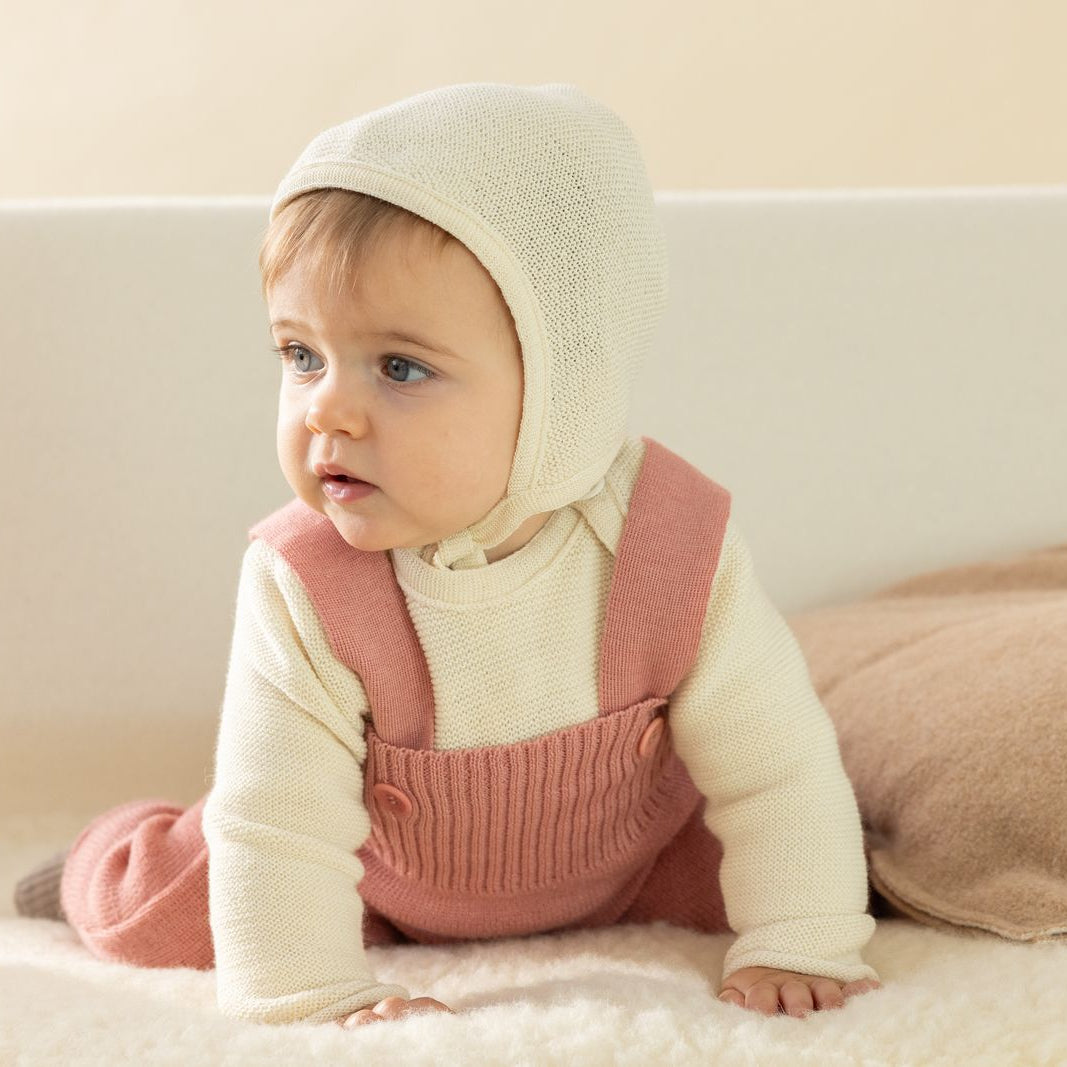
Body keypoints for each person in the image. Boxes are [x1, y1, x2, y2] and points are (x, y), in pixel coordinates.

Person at [14, 82, 882, 1026]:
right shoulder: (307, 578)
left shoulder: (670, 543)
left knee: (816, 863)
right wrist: (313, 991)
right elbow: (282, 822)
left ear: (563, 383)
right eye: (301, 355)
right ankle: (96, 864)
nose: (326, 411)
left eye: (400, 367)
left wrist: (800, 939)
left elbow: (775, 764)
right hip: (376, 880)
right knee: (180, 903)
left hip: (627, 861)